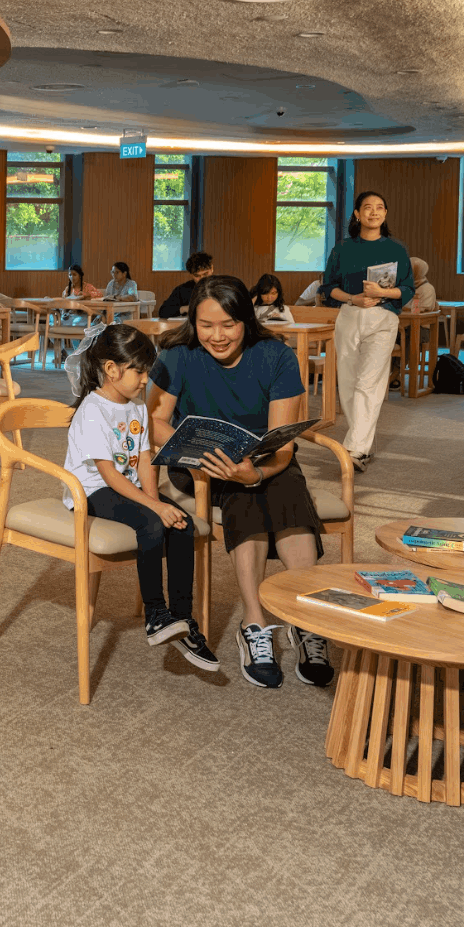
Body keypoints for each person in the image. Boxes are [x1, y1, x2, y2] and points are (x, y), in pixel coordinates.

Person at [151, 275, 332, 690]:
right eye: (206, 325)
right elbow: (154, 423)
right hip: (196, 462)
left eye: (228, 324)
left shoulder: (276, 356)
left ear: (245, 321)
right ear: (192, 322)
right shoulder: (177, 356)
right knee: (238, 485)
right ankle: (255, 620)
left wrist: (257, 471)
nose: (217, 336)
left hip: (264, 458)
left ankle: (303, 621)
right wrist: (196, 448)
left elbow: (283, 444)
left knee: (276, 483)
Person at [64, 325, 219, 671]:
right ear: (111, 369)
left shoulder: (135, 406)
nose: (145, 378)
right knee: (150, 524)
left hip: (129, 485)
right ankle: (155, 615)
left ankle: (181, 620)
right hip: (92, 491)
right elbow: (107, 475)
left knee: (182, 524)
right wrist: (154, 507)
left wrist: (160, 502)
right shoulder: (93, 410)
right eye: (139, 370)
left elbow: (146, 457)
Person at [319, 191, 412, 471]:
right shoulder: (342, 249)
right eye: (368, 208)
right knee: (347, 383)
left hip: (383, 318)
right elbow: (328, 288)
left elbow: (407, 289)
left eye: (380, 207)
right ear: (357, 214)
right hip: (349, 316)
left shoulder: (396, 249)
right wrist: (353, 298)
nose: (374, 212)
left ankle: (354, 450)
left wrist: (384, 292)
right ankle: (364, 446)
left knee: (368, 383)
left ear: (385, 214)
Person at [156, 251, 214, 319]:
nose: (202, 279)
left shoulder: (223, 287)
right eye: (197, 275)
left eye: (205, 274)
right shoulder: (183, 290)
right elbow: (163, 312)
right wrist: (184, 309)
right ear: (191, 275)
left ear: (212, 268)